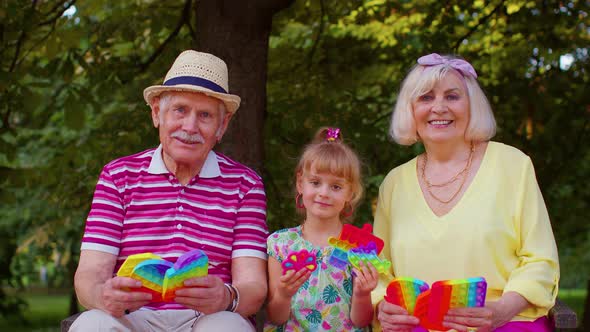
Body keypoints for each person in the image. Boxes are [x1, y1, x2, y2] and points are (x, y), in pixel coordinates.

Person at [70, 50, 268, 332]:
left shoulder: (245, 184)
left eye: (205, 115)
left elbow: (253, 287)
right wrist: (104, 296)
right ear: (156, 113)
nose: (189, 126)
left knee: (228, 326)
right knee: (92, 324)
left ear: (222, 126)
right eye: (180, 110)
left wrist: (227, 297)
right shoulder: (117, 176)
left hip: (207, 318)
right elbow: (89, 275)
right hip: (132, 317)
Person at [372, 53, 559, 332]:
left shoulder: (513, 165)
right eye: (425, 98)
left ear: (472, 106)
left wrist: (502, 309)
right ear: (410, 110)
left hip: (504, 323)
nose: (439, 107)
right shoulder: (394, 183)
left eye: (452, 96)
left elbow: (540, 259)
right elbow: (378, 269)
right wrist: (380, 306)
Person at [264, 127, 379, 331]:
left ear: (350, 193)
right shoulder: (280, 244)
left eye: (336, 187)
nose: (324, 193)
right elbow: (276, 317)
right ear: (301, 183)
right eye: (315, 182)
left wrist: (362, 293)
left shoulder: (358, 246)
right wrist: (283, 294)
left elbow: (361, 321)